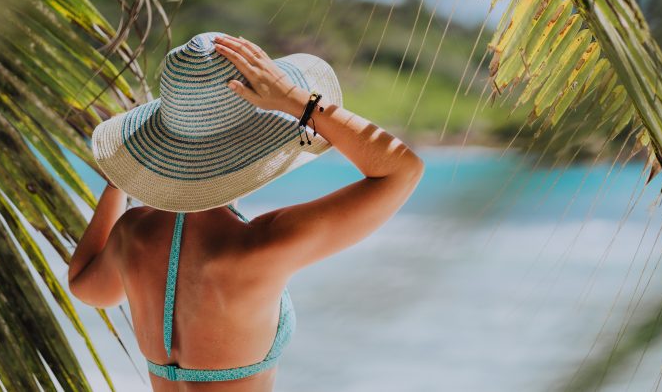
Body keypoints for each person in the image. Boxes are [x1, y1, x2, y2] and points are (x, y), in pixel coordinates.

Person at [68, 31, 425, 390]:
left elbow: (87, 287)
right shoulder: (262, 244)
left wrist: (120, 181)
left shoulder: (134, 232)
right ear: (255, 141)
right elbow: (402, 171)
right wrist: (295, 101)